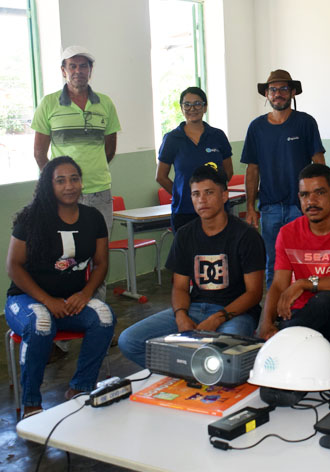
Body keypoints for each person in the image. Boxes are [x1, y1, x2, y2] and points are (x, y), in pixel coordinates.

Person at [118, 165, 266, 368]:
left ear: (224, 196)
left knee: (224, 351)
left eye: (209, 193)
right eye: (196, 194)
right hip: (194, 308)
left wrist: (217, 318)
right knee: (129, 341)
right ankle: (187, 370)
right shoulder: (185, 235)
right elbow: (179, 287)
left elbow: (254, 293)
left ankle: (196, 369)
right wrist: (181, 316)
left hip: (235, 313)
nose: (202, 200)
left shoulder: (245, 236)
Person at [5, 156, 115, 418]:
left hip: (72, 299)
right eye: (61, 180)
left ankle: (80, 388)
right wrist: (46, 300)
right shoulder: (31, 218)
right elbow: (14, 267)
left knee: (104, 318)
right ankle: (31, 403)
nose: (69, 186)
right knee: (42, 325)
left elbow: (101, 264)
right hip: (26, 300)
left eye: (74, 179)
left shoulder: (93, 217)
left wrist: (85, 293)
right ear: (49, 185)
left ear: (81, 182)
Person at [256, 164, 330, 353]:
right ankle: (280, 344)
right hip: (300, 320)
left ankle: (278, 347)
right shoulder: (287, 233)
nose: (311, 201)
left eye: (319, 193)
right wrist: (265, 323)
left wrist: (306, 283)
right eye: (304, 195)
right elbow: (278, 285)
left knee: (326, 299)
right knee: (281, 331)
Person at [241, 70, 326, 288]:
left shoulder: (306, 123)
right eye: (273, 90)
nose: (278, 94)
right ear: (267, 95)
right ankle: (274, 313)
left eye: (283, 89)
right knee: (274, 264)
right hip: (269, 208)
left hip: (301, 206)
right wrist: (251, 207)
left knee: (305, 261)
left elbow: (318, 162)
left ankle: (304, 311)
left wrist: (320, 200)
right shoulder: (256, 127)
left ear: (293, 92)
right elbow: (252, 169)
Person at [32, 46, 121, 237]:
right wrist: (56, 182)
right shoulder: (48, 103)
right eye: (72, 66)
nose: (78, 71)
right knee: (66, 251)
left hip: (100, 189)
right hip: (63, 193)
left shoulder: (105, 103)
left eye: (83, 66)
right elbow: (40, 153)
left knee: (100, 247)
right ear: (63, 71)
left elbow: (110, 149)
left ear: (90, 70)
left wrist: (93, 167)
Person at [156, 86, 234, 231]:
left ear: (205, 108)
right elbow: (161, 176)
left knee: (218, 252)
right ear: (181, 108)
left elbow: (228, 172)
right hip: (184, 211)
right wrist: (182, 193)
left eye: (198, 103)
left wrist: (213, 194)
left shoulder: (218, 136)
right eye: (187, 104)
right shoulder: (172, 139)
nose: (192, 108)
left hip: (217, 210)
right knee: (187, 252)